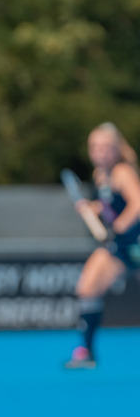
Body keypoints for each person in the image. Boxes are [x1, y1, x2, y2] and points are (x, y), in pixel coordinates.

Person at [65, 122, 140, 369]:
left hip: (134, 244)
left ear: (117, 149)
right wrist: (92, 208)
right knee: (87, 289)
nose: (100, 152)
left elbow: (137, 205)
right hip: (117, 248)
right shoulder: (101, 175)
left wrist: (116, 229)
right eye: (95, 147)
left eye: (106, 147)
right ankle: (86, 352)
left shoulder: (122, 172)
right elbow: (108, 206)